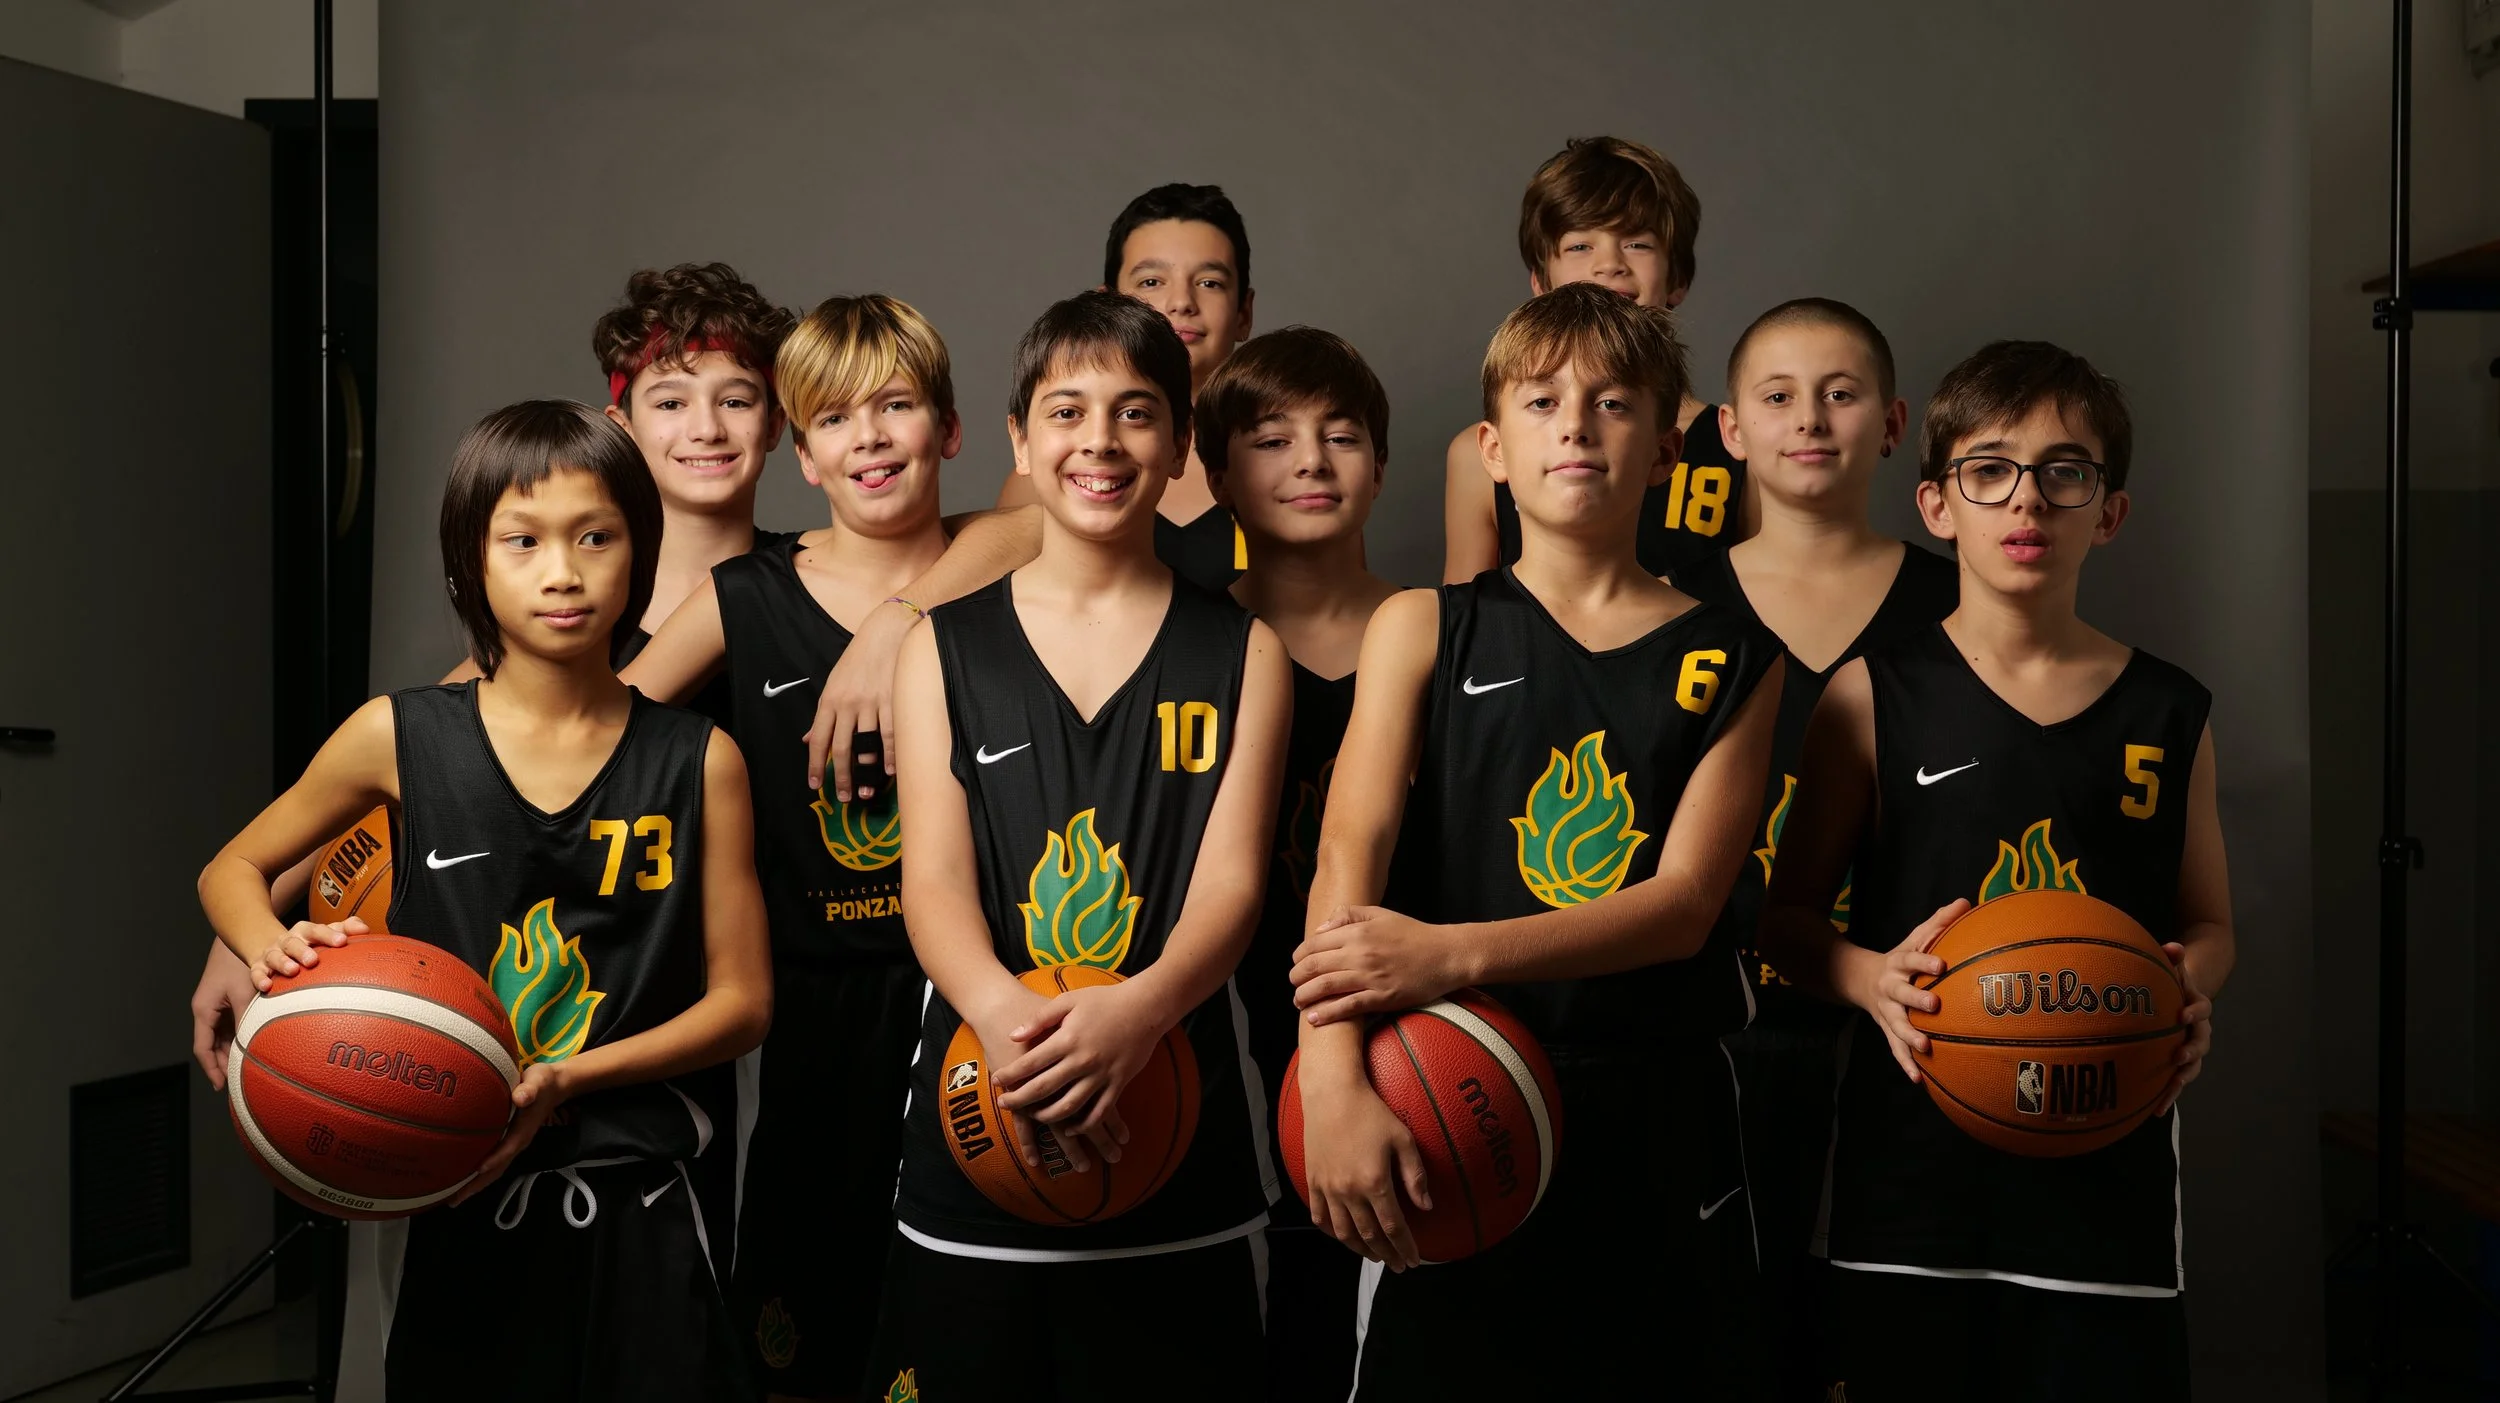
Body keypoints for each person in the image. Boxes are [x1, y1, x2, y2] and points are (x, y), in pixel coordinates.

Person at [197, 401, 773, 1401]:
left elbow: (744, 1004)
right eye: (524, 539)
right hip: (458, 1181)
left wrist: (568, 1077)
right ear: (470, 562)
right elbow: (231, 870)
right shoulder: (400, 734)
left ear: (639, 552)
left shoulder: (699, 759)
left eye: (597, 535)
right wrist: (274, 958)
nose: (564, 569)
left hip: (647, 1189)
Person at [1291, 282, 1783, 1398]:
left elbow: (1687, 903)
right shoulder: (1423, 623)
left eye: (1612, 404)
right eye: (1543, 401)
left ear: (1664, 449)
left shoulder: (1736, 655)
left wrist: (1450, 953)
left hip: (1654, 1112)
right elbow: (1346, 856)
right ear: (1492, 449)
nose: (1575, 423)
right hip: (1447, 1100)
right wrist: (1329, 1076)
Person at [1758, 340, 2232, 1403]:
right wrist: (1865, 978)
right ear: (1937, 503)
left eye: (2066, 471)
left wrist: (2187, 985)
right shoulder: (1871, 694)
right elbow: (1783, 919)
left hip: (2105, 1168)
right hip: (1909, 1173)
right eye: (1990, 469)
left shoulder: (2169, 710)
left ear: (2105, 511)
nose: (2028, 498)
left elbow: (2209, 921)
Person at [862, 290, 1289, 1400]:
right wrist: (1011, 1024)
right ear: (1018, 439)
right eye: (1067, 411)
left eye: (1137, 413)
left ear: (1181, 444)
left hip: (1183, 1123)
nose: (1099, 441)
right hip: (979, 1104)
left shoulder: (1243, 649)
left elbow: (1233, 882)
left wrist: (1138, 1011)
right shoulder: (941, 648)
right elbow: (934, 884)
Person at [624, 294, 960, 1401]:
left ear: (949, 431)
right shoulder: (743, 596)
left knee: (956, 1312)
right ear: (800, 451)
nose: (868, 437)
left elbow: (1048, 523)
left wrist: (898, 619)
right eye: (834, 419)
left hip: (971, 995)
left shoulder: (1004, 574)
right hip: (812, 999)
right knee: (799, 1325)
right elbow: (583, 729)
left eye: (898, 408)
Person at [1669, 298, 1957, 1399]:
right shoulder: (1674, 607)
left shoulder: (1960, 599)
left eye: (1840, 394)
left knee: (1878, 1345)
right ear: (1730, 429)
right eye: (1777, 397)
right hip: (1718, 1023)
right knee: (1730, 1334)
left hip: (1914, 1024)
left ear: (1890, 423)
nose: (1810, 420)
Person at [1194, 325, 1399, 1399]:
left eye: (1342, 435)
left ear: (1383, 465)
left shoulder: (1447, 643)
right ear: (1217, 471)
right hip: (1217, 1035)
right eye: (1271, 438)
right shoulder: (1182, 648)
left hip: (1410, 1045)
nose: (1312, 461)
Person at [1443, 136, 1747, 583]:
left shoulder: (1737, 444)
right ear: (1541, 282)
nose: (1610, 265)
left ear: (1677, 278)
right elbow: (1461, 619)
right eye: (1581, 246)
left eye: (1638, 244)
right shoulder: (1480, 453)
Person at [994, 182, 1257, 592]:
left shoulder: (1288, 460)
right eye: (1152, 281)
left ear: (1244, 312)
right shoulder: (1052, 468)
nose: (1181, 302)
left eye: (1209, 283)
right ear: (1108, 304)